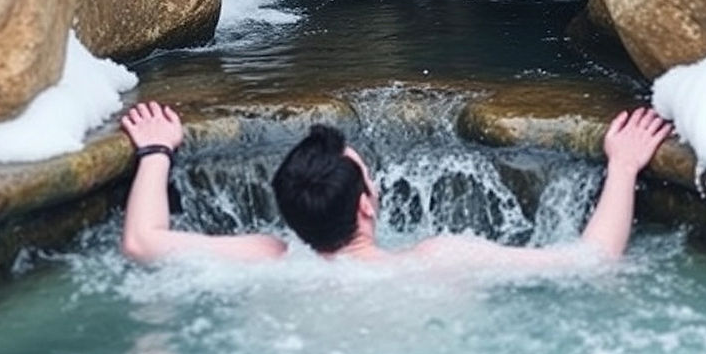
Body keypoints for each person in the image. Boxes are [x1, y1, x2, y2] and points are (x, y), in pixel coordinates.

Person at [119, 100, 672, 271]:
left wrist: (155, 150)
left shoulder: (267, 258)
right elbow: (592, 259)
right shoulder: (441, 259)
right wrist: (622, 167)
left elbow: (141, 241)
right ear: (366, 204)